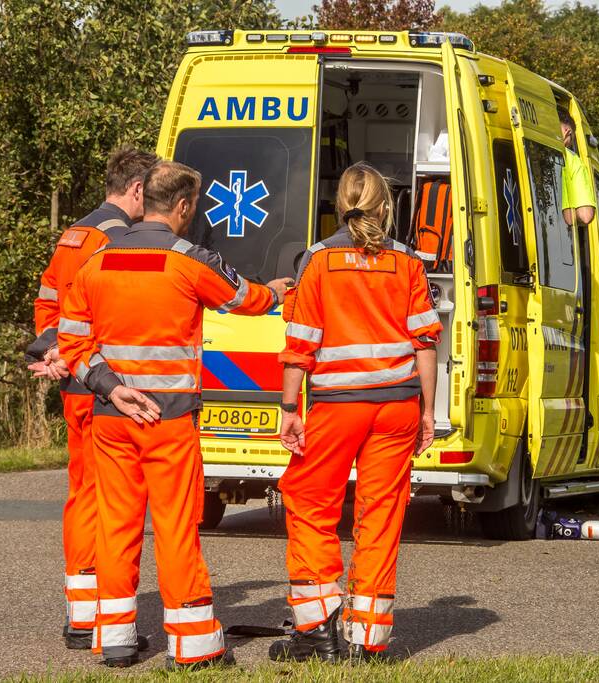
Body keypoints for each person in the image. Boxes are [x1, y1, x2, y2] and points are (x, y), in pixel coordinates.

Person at [57, 160, 293, 669]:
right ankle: (192, 645)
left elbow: (71, 341)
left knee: (116, 526)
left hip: (113, 418)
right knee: (175, 527)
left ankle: (115, 639)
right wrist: (278, 290)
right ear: (182, 206)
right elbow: (244, 300)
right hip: (169, 422)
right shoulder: (190, 260)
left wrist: (112, 388)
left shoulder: (96, 262)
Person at [271, 162, 441, 662]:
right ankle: (367, 641)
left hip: (337, 408)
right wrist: (428, 411)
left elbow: (300, 344)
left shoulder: (317, 261)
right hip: (397, 405)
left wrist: (288, 408)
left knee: (307, 502)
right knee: (381, 516)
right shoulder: (409, 263)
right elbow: (425, 344)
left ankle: (316, 628)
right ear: (386, 206)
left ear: (340, 203)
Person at [25, 146, 157, 651]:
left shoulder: (74, 233)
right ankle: (110, 620)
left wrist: (56, 352)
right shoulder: (117, 238)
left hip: (75, 381)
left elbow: (48, 302)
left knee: (83, 495)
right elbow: (120, 309)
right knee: (117, 502)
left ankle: (82, 614)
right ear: (138, 190)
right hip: (107, 387)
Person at [558, 108, 596, 227]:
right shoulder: (572, 160)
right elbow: (585, 216)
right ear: (567, 132)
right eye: (572, 139)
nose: (569, 144)